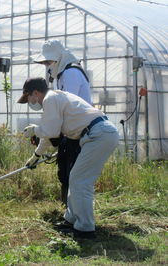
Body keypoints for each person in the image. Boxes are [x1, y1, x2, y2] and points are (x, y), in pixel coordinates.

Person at [17, 77, 119, 239]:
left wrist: (35, 130)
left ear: (35, 93)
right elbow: (51, 132)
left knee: (80, 181)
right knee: (76, 178)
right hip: (98, 134)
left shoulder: (50, 99)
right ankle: (71, 220)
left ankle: (85, 229)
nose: (29, 102)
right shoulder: (55, 98)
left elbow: (49, 131)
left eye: (28, 98)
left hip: (98, 135)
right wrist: (36, 155)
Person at [32, 40, 92, 206]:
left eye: (48, 62)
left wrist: (48, 133)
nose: (47, 66)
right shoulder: (61, 75)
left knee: (73, 174)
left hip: (80, 131)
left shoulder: (71, 73)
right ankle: (69, 212)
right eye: (45, 62)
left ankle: (76, 216)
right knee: (65, 172)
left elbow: (65, 107)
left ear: (59, 58)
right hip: (71, 130)